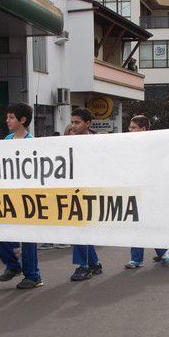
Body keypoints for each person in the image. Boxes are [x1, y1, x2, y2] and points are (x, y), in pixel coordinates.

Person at [0, 103, 43, 289]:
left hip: (26, 196)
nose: (7, 120)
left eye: (11, 117)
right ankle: (13, 265)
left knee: (28, 237)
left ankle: (33, 275)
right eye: (7, 117)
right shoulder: (7, 139)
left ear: (22, 120)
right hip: (8, 195)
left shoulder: (32, 142)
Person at [124, 115, 169, 269]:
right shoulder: (128, 145)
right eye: (130, 127)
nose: (129, 130)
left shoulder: (154, 145)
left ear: (143, 129)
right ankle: (138, 258)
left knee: (149, 222)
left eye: (133, 127)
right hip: (134, 189)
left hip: (150, 190)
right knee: (136, 223)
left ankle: (164, 251)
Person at [67, 108, 103, 281]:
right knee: (81, 228)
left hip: (90, 191)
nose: (73, 126)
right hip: (73, 190)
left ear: (87, 123)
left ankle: (83, 266)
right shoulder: (69, 141)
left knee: (80, 228)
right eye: (72, 122)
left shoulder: (97, 143)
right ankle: (94, 264)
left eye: (77, 122)